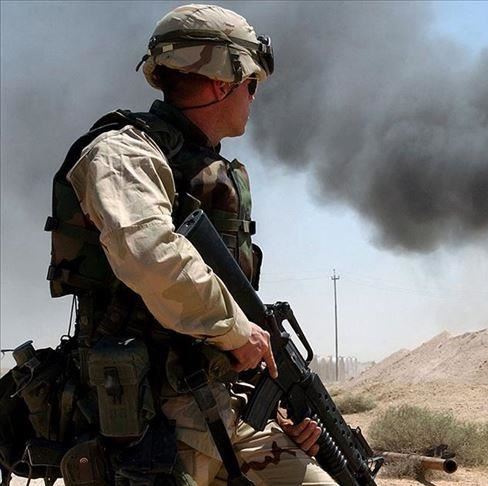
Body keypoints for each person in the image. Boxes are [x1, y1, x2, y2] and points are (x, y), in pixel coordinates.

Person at [41, 4, 336, 484]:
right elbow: (150, 255)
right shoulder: (123, 152)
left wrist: (281, 411)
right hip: (150, 423)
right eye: (251, 84)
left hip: (226, 413)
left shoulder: (206, 169)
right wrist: (236, 330)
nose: (254, 97)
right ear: (223, 81)